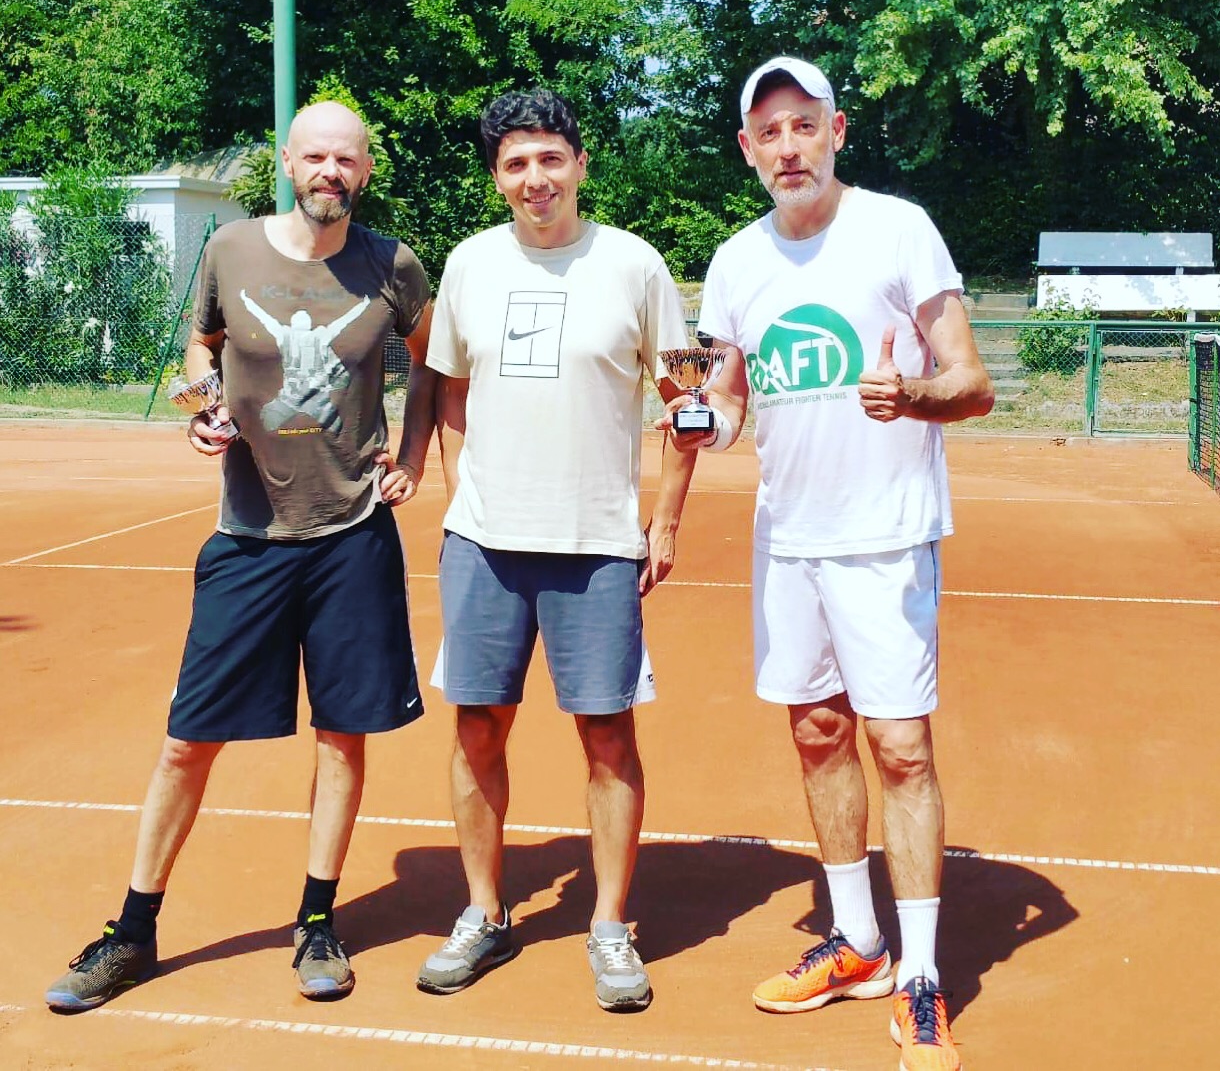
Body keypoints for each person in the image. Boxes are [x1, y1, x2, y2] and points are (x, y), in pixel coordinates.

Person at [45, 101, 435, 1012]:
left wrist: (412, 458)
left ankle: (316, 921)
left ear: (365, 170)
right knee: (188, 742)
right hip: (249, 539)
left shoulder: (394, 265)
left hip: (352, 537)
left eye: (346, 157)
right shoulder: (231, 251)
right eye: (314, 155)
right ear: (290, 164)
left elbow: (432, 361)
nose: (329, 170)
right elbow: (201, 345)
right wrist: (199, 396)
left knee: (343, 736)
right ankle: (133, 930)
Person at [662, 57, 993, 1070]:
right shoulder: (732, 262)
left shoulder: (897, 228)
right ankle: (856, 940)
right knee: (814, 729)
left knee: (897, 745)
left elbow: (969, 380)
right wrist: (698, 415)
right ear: (747, 149)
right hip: (786, 539)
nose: (787, 147)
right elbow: (724, 401)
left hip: (883, 536)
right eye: (768, 132)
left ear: (835, 130)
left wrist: (916, 397)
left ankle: (922, 977)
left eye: (803, 125)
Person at [416, 87, 697, 1012]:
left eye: (549, 159)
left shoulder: (634, 266)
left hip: (598, 544)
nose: (534, 179)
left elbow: (681, 404)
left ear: (579, 163)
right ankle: (486, 914)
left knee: (607, 735)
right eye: (514, 164)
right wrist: (467, 495)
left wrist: (664, 521)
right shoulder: (468, 264)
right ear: (497, 177)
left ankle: (610, 925)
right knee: (476, 727)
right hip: (487, 544)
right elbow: (447, 387)